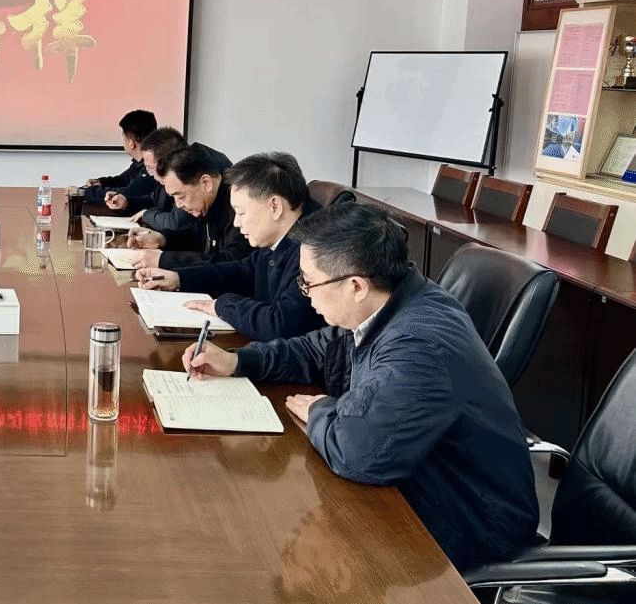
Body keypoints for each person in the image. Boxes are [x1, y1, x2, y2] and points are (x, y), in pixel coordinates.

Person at [182, 202, 540, 572]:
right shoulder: (390, 303)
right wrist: (240, 361)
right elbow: (318, 349)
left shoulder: (419, 344)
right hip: (416, 486)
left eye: (307, 282)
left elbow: (358, 453)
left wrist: (321, 409)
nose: (305, 293)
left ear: (356, 286)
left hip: (468, 526)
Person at [136, 152, 323, 341]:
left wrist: (222, 305)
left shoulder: (316, 248)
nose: (236, 223)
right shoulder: (280, 236)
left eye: (241, 213)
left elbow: (281, 324)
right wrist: (179, 278)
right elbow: (244, 271)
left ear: (275, 207)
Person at [121, 143, 247, 269]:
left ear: (206, 183)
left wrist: (164, 260)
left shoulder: (239, 204)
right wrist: (162, 239)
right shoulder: (207, 200)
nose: (178, 205)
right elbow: (197, 238)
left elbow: (231, 261)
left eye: (181, 197)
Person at [82, 109, 157, 205]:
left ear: (131, 144)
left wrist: (83, 192)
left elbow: (126, 193)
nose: (121, 140)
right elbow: (123, 180)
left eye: (123, 136)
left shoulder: (152, 166)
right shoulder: (139, 164)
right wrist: (100, 182)